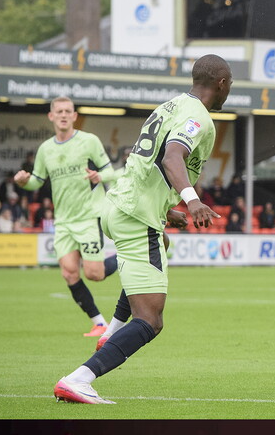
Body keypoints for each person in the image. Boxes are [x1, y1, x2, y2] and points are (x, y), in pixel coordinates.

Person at [53, 53, 232, 404]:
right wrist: (191, 201)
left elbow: (150, 162)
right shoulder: (198, 116)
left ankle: (112, 331)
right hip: (134, 214)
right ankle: (80, 378)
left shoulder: (170, 105)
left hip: (120, 205)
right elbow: (171, 156)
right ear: (222, 84)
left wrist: (167, 211)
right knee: (151, 319)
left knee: (159, 249)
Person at [14, 96, 124, 338]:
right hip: (63, 221)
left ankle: (126, 255)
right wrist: (24, 182)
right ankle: (99, 323)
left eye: (68, 111)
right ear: (51, 116)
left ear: (74, 116)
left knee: (94, 274)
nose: (63, 115)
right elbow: (37, 182)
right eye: (59, 111)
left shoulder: (89, 141)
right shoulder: (45, 150)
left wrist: (99, 177)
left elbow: (110, 172)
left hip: (88, 216)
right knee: (69, 272)